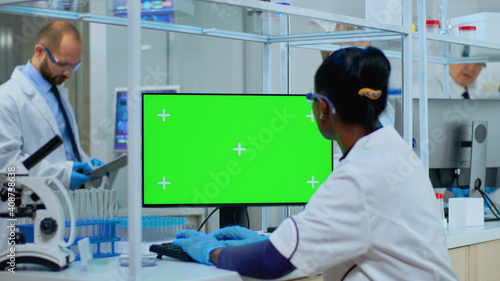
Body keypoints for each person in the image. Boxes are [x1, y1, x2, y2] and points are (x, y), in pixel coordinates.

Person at [173, 47, 458, 280]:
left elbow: (273, 263)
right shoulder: (396, 152)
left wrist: (209, 251)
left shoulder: (358, 177)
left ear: (323, 107)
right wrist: (263, 242)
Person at [0, 20, 104, 190]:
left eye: (74, 66)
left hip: (66, 204)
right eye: (62, 64)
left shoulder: (57, 93)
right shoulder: (6, 98)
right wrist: (62, 176)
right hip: (30, 208)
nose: (68, 73)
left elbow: (63, 152)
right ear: (39, 51)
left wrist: (86, 164)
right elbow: (8, 167)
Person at [413, 63, 485, 99]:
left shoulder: (481, 91)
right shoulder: (424, 90)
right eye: (465, 59)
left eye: (478, 62)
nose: (471, 68)